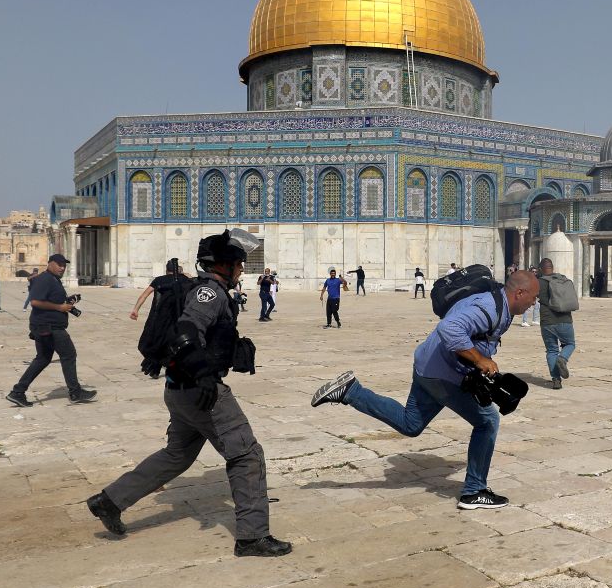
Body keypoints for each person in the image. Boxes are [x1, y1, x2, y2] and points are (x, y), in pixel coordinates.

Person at [87, 229, 292, 558]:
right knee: (246, 454)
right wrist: (204, 375)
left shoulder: (211, 289)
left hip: (180, 390)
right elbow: (186, 332)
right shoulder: (209, 293)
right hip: (200, 392)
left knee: (177, 454)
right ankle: (252, 536)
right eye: (237, 263)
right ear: (223, 265)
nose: (241, 268)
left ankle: (109, 501)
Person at [311, 269, 538, 510]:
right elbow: (449, 328)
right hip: (443, 374)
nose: (535, 302)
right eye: (533, 297)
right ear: (519, 292)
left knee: (411, 424)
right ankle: (474, 491)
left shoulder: (498, 304)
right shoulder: (489, 308)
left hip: (427, 364)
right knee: (488, 421)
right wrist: (479, 359)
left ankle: (351, 391)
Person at [6, 254, 97, 405]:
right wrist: (60, 307)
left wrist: (67, 302)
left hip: (44, 325)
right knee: (68, 355)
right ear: (49, 264)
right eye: (59, 264)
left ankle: (17, 392)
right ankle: (76, 392)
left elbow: (49, 299)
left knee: (42, 359)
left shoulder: (53, 279)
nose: (62, 267)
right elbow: (35, 302)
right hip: (49, 326)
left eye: (64, 265)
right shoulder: (45, 279)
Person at [537, 258, 575, 390]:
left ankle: (556, 380)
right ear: (552, 267)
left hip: (547, 321)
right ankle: (563, 358)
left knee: (552, 350)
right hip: (565, 319)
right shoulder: (562, 279)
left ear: (541, 269)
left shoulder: (539, 282)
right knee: (570, 344)